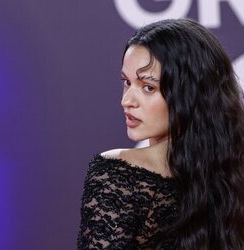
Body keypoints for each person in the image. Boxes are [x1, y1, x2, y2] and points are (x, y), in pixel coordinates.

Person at [77, 18, 244, 249]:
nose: (126, 101)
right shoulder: (232, 175)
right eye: (126, 82)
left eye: (148, 87)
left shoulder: (118, 173)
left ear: (189, 94)